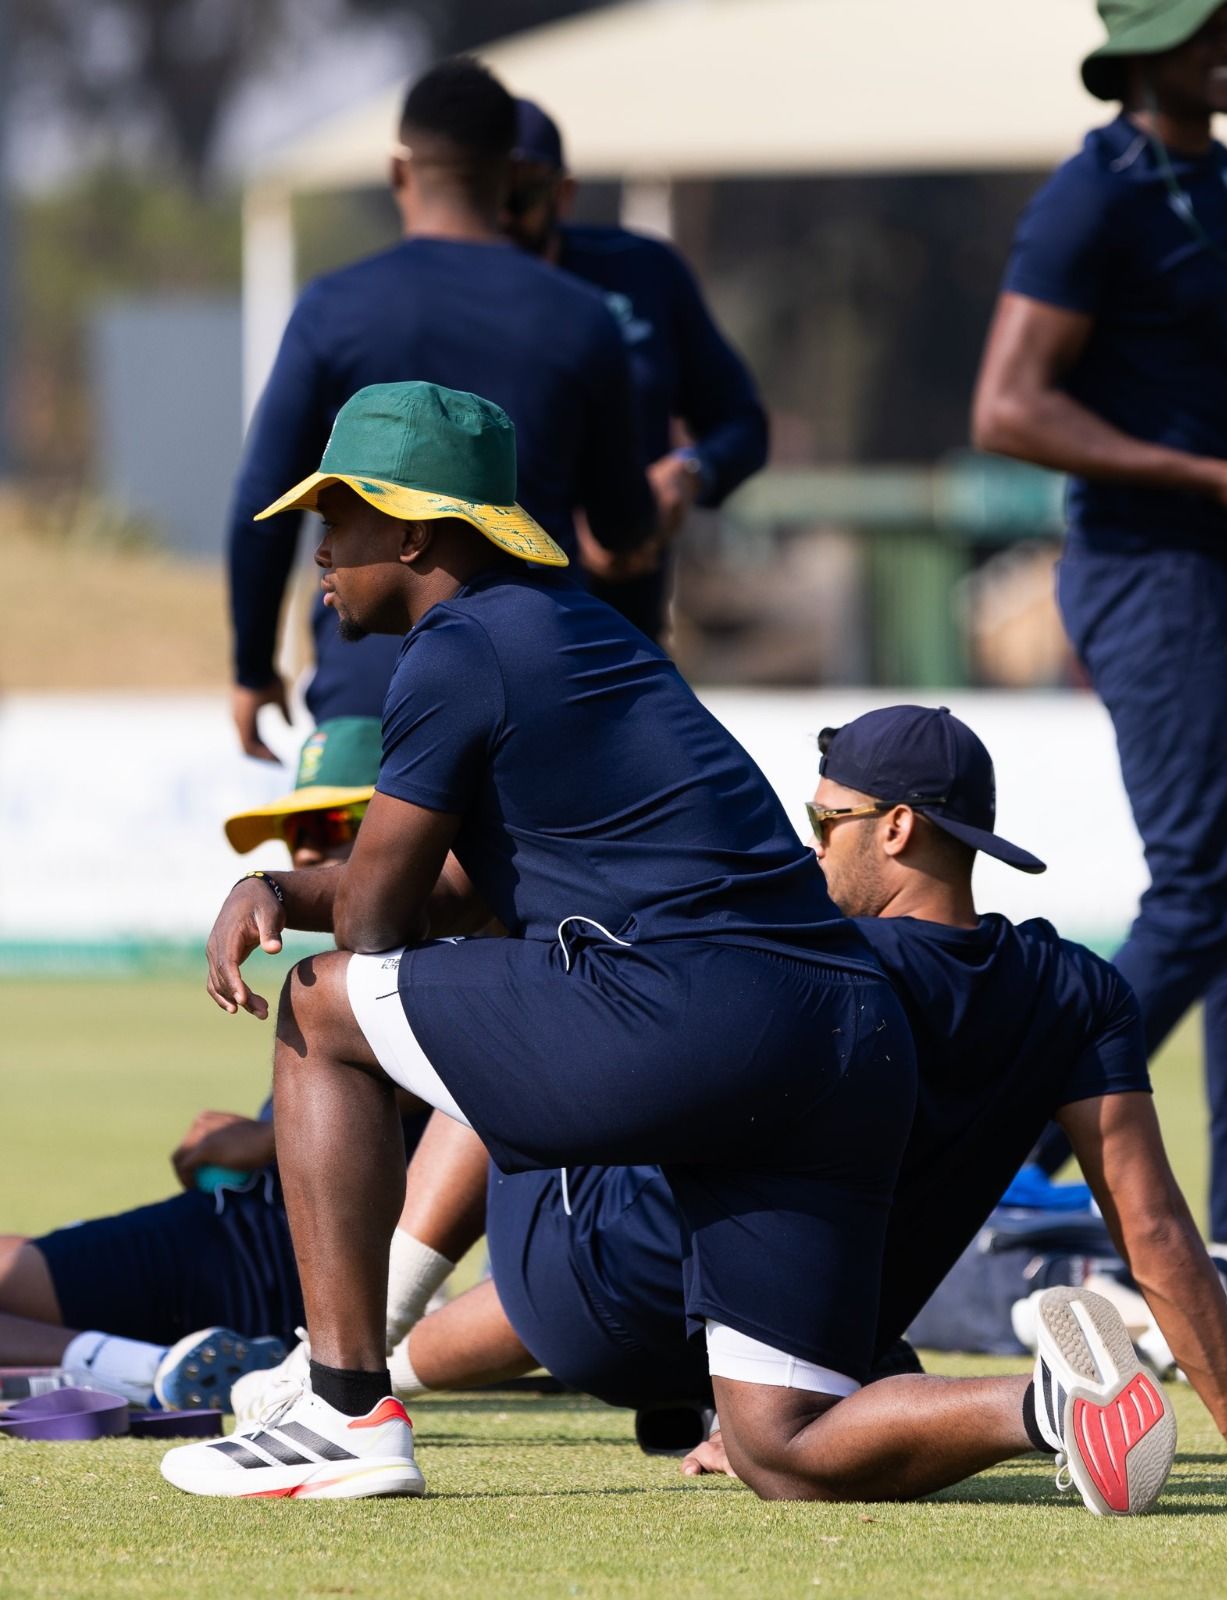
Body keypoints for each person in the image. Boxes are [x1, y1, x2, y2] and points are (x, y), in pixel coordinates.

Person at [166, 380, 1160, 1511]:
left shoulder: (454, 650)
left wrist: (290, 906)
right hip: (842, 1032)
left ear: (411, 526)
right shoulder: (580, 626)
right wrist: (275, 881)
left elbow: (376, 928)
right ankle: (1053, 1406)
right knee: (783, 1444)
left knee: (316, 1006)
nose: (322, 549)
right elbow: (452, 886)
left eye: (335, 517)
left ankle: (344, 1409)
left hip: (689, 1013)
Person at [971, 0, 1227, 1311]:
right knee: (1205, 897)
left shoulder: (1208, 177)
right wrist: (1213, 478)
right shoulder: (1085, 199)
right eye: (1209, 27)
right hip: (1147, 574)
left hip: (1218, 563)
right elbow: (1004, 406)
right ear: (1142, 46)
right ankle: (996, 1162)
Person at [229, 57, 654, 761]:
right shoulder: (582, 320)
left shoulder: (336, 309)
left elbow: (260, 500)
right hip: (535, 695)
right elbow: (622, 522)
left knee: (351, 875)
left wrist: (251, 667)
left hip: (368, 685)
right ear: (511, 175)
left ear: (401, 171)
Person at [0, 718, 415, 1411]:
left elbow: (442, 1087)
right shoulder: (377, 946)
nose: (306, 846)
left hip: (261, 1263)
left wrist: (258, 1140)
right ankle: (149, 1365)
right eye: (298, 826)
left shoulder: (433, 948)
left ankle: (146, 1369)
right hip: (244, 1237)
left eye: (336, 818)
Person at [503, 98, 769, 640]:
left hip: (623, 626)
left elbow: (743, 423)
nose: (499, 215)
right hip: (491, 624)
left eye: (518, 194)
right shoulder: (426, 301)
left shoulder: (642, 272)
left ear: (563, 193)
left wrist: (688, 475)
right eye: (478, 194)